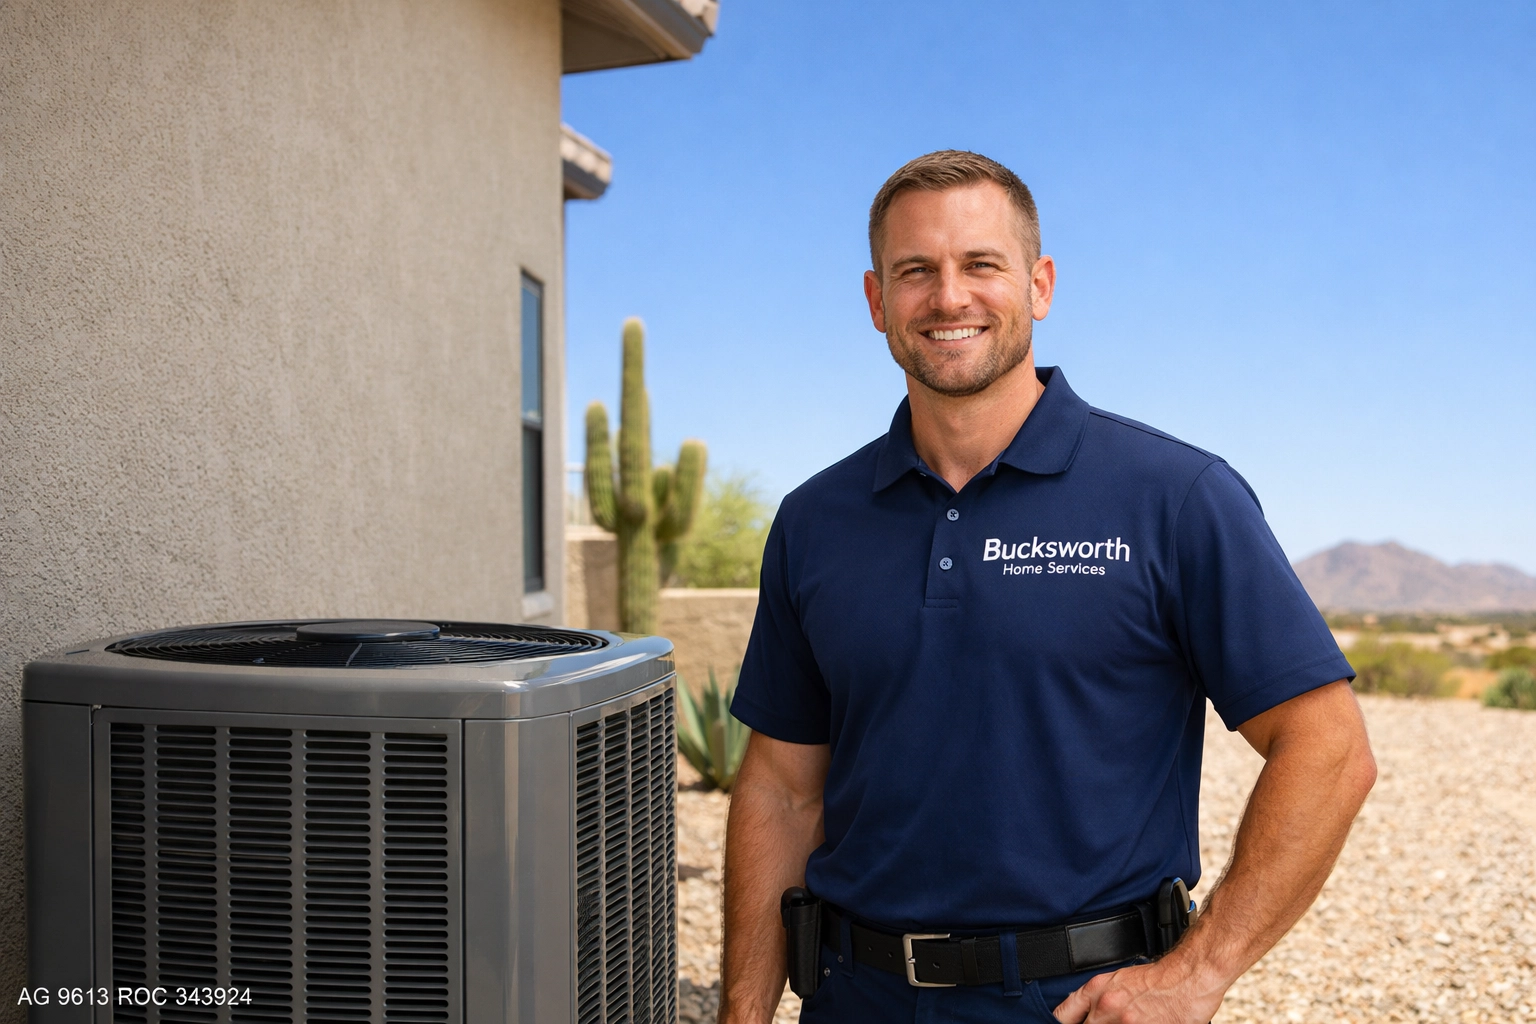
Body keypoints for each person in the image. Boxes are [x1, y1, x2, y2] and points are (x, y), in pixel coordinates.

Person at [717, 150, 1376, 1024]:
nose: (949, 298)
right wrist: (742, 1011)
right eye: (916, 271)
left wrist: (1199, 970)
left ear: (1040, 285)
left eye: (980, 265)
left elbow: (1328, 749)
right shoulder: (816, 521)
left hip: (1075, 1005)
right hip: (855, 998)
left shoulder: (1174, 496)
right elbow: (781, 789)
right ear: (877, 301)